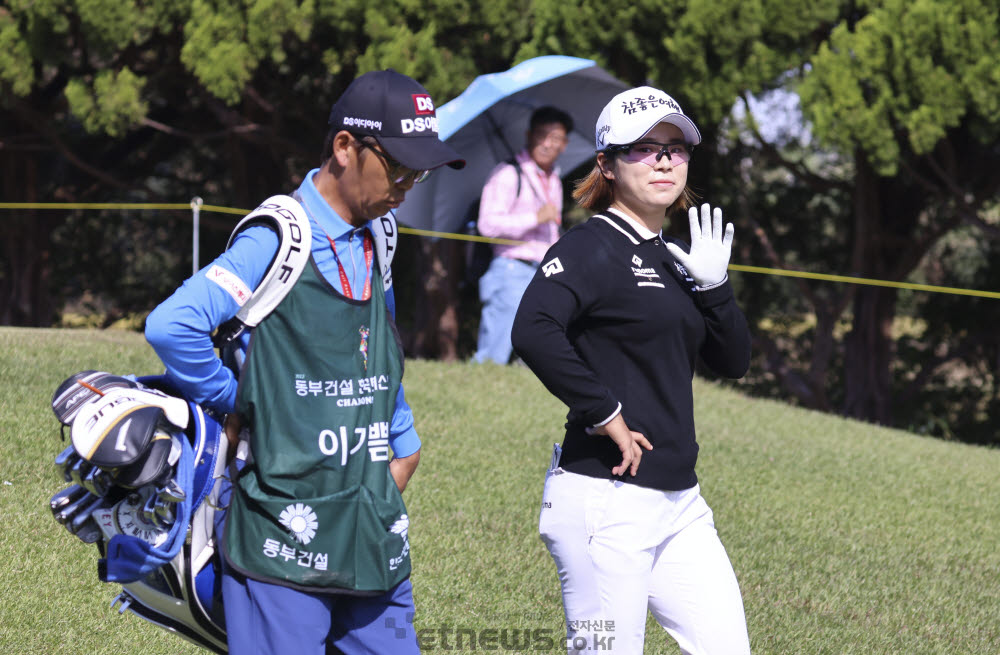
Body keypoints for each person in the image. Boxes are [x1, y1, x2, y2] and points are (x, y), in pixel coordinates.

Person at [144, 69, 464, 655]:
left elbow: (377, 347)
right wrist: (239, 403)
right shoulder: (279, 238)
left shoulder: (381, 233)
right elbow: (173, 326)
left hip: (371, 530)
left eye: (419, 172)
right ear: (345, 147)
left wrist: (404, 437)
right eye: (398, 167)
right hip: (281, 538)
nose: (408, 185)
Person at [511, 86, 753, 654]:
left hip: (680, 503)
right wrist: (605, 412)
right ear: (607, 165)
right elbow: (532, 329)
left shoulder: (675, 256)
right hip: (604, 500)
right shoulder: (592, 245)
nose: (665, 159)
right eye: (643, 148)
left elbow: (733, 361)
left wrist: (715, 289)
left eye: (676, 147)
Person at [473, 105, 573, 364]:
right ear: (529, 135)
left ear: (565, 144)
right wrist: (534, 219)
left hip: (544, 272)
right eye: (542, 135)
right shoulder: (507, 174)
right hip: (511, 269)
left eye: (556, 138)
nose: (548, 144)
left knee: (534, 353)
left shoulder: (554, 179)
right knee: (495, 351)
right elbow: (487, 226)